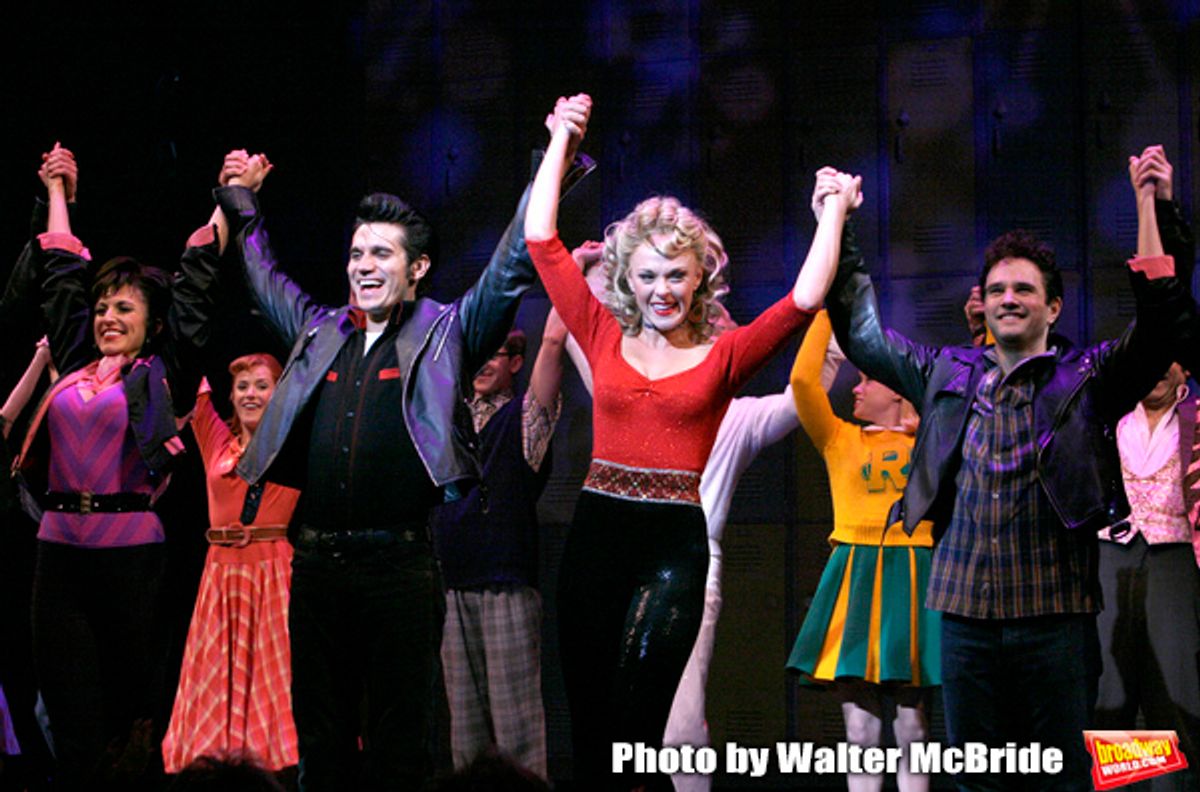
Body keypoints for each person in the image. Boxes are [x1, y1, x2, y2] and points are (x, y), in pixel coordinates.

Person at [208, 108, 594, 791]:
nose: (363, 266)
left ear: (416, 268)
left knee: (399, 745)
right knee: (321, 738)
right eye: (356, 254)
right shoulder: (317, 330)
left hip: (400, 569)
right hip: (319, 564)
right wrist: (241, 200)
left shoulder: (447, 332)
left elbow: (509, 263)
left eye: (380, 254)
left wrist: (556, 155)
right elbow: (261, 274)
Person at [820, 145, 1194, 791]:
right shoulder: (945, 372)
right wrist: (838, 224)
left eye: (1024, 288)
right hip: (964, 620)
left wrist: (1150, 207)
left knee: (1060, 781)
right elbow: (862, 333)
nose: (1008, 298)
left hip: (1055, 620)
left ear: (1053, 307)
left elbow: (1160, 325)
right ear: (983, 306)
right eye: (996, 290)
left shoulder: (1089, 377)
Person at [524, 93, 857, 790]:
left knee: (641, 730)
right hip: (595, 535)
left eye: (675, 274)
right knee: (589, 726)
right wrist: (561, 137)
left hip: (673, 545)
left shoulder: (726, 355)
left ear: (700, 274)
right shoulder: (599, 332)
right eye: (647, 276)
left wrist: (831, 212)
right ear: (627, 281)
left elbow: (802, 300)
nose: (661, 289)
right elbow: (541, 242)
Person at [560, 244, 807, 792]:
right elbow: (574, 333)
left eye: (681, 283)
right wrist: (584, 273)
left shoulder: (740, 410)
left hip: (685, 562)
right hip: (610, 544)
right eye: (651, 280)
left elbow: (803, 389)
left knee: (674, 722)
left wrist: (833, 314)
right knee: (603, 717)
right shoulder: (624, 377)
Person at [7, 143, 212, 788]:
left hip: (131, 557)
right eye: (103, 308)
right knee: (69, 710)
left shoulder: (159, 375)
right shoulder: (73, 363)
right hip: (58, 552)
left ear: (151, 324)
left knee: (130, 709)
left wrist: (232, 197)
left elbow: (198, 288)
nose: (106, 317)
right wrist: (59, 190)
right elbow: (62, 276)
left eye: (123, 308)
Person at [785, 310, 937, 792]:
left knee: (913, 728)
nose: (854, 388)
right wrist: (830, 308)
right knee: (859, 731)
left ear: (897, 387)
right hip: (853, 578)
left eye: (867, 379)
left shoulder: (932, 438)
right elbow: (803, 382)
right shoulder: (838, 439)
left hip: (914, 577)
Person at [430, 321, 568, 779]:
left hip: (505, 583)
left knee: (517, 729)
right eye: (478, 353)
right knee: (464, 731)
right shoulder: (448, 420)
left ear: (514, 363)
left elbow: (550, 356)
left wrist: (559, 309)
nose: (484, 363)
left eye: (496, 354)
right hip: (451, 585)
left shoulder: (523, 419)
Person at [162, 353, 301, 774]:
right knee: (216, 673)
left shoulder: (291, 442)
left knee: (274, 677)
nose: (251, 394)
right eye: (242, 387)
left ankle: (277, 762)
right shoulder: (217, 442)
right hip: (220, 576)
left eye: (262, 385)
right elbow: (189, 378)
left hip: (272, 572)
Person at [1094, 360, 1200, 791]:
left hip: (1175, 561)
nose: (1155, 366)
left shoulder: (1195, 417)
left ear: (1185, 369)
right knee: (1110, 695)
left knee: (1174, 695)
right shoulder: (1108, 419)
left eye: (1168, 357)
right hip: (1110, 559)